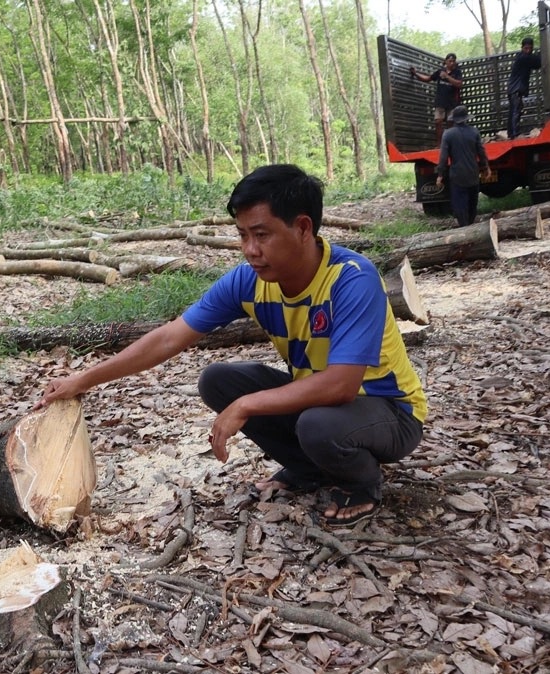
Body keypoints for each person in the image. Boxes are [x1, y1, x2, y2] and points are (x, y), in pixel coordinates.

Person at [36, 164, 426, 526]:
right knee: (219, 381)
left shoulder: (351, 279)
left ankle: (362, 484)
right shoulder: (248, 281)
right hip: (324, 404)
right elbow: (170, 336)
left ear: (303, 227)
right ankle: (310, 469)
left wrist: (246, 405)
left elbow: (341, 385)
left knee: (317, 425)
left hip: (390, 412)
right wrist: (82, 380)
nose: (250, 249)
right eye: (242, 235)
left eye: (262, 235)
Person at [437, 105, 491, 228]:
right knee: (472, 205)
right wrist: (486, 167)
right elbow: (481, 152)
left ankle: (464, 228)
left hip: (457, 176)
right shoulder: (474, 132)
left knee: (460, 206)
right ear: (466, 118)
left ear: (454, 119)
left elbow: (443, 157)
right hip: (473, 174)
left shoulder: (448, 134)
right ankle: (470, 226)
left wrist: (440, 175)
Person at [411, 53, 462, 145]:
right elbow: (428, 79)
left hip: (452, 103)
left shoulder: (457, 72)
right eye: (450, 61)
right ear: (445, 61)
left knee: (450, 123)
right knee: (438, 122)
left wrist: (447, 77)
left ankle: (450, 144)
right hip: (440, 102)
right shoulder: (439, 72)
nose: (452, 63)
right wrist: (415, 74)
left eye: (453, 61)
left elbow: (459, 84)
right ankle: (439, 144)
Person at [507, 37, 541, 139]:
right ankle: (514, 134)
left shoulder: (523, 57)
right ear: (522, 48)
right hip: (515, 89)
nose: (528, 50)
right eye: (526, 48)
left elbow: (536, 64)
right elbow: (538, 62)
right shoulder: (523, 58)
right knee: (516, 111)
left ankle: (512, 133)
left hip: (514, 88)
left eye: (530, 48)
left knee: (515, 110)